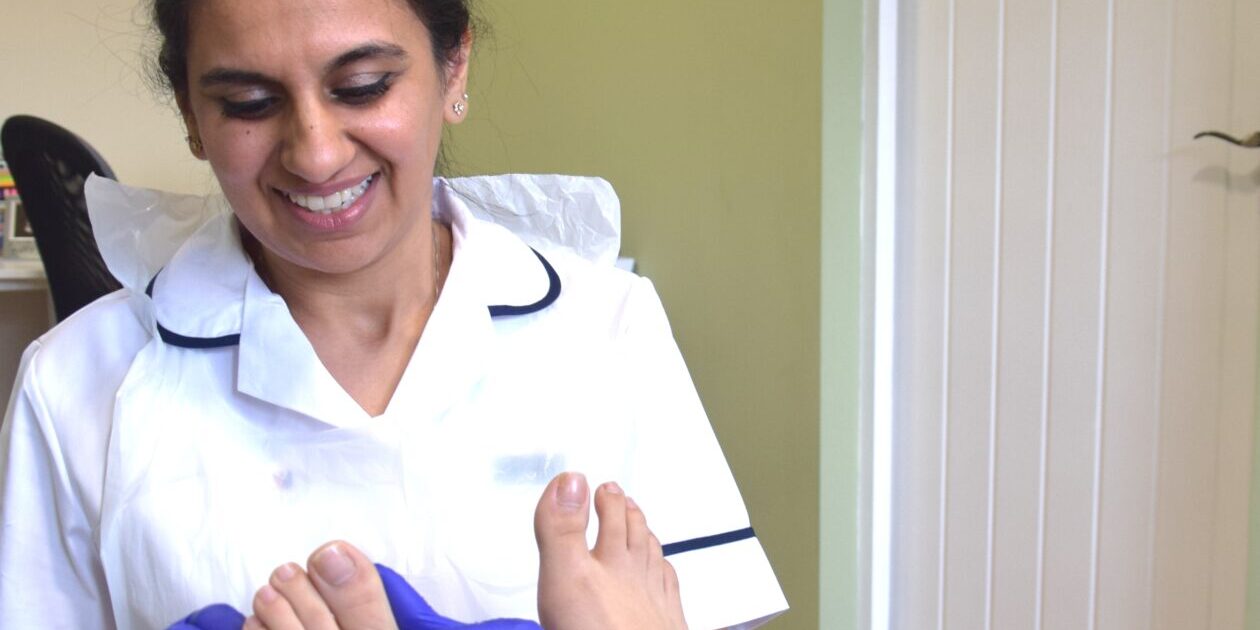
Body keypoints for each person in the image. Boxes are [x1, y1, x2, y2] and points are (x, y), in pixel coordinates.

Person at [0, 0, 787, 628]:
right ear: (191, 113)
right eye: (248, 102)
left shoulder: (608, 330)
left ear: (454, 67)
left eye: (363, 85)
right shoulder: (77, 384)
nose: (314, 153)